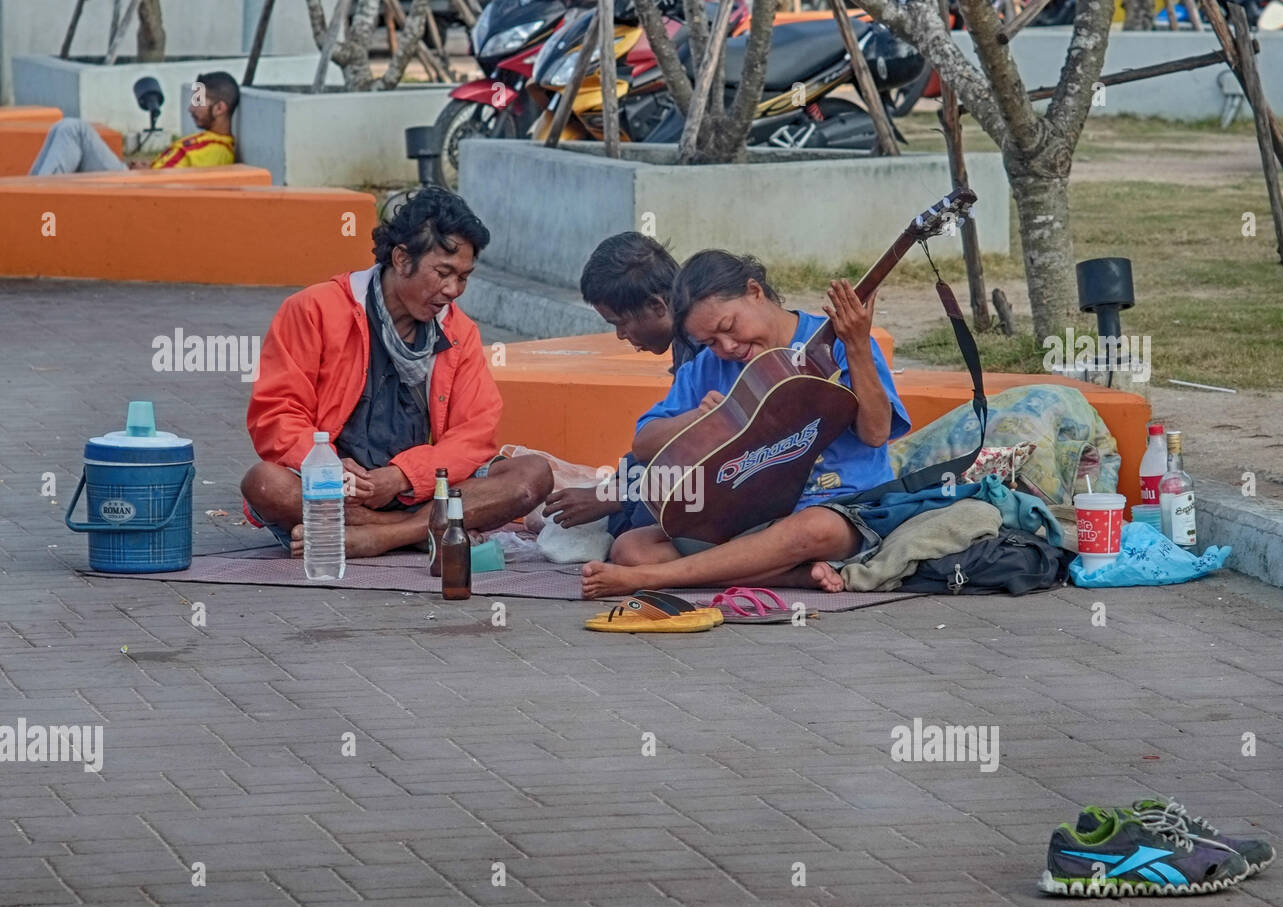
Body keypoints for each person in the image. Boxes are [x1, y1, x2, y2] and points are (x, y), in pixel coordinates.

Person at [241, 186, 553, 558]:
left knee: (532, 476)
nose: (454, 290)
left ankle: (379, 537)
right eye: (443, 273)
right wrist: (332, 468)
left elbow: (475, 434)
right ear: (402, 259)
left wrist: (403, 477)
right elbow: (276, 414)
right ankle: (419, 532)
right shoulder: (313, 309)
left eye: (464, 277)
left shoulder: (459, 332)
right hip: (340, 491)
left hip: (421, 491)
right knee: (264, 484)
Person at [580, 249, 910, 599]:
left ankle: (653, 579)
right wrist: (699, 419)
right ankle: (793, 577)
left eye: (728, 327)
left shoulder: (840, 343)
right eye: (710, 342)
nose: (728, 347)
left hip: (840, 507)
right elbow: (643, 443)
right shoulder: (708, 366)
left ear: (755, 292)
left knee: (815, 528)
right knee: (632, 549)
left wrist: (857, 344)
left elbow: (876, 434)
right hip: (747, 517)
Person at [541, 232, 701, 534]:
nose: (620, 336)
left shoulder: (712, 345)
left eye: (621, 323)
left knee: (636, 529)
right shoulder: (686, 342)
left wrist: (615, 497)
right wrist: (615, 487)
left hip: (724, 478)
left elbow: (711, 452)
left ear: (657, 306)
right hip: (680, 470)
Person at [28, 70, 239, 175]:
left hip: (135, 188)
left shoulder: (214, 150)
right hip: (137, 179)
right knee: (62, 127)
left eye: (198, 102)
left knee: (74, 130)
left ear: (220, 108)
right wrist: (150, 166)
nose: (190, 109)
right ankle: (30, 191)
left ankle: (37, 198)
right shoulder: (207, 143)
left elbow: (177, 185)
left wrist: (148, 173)